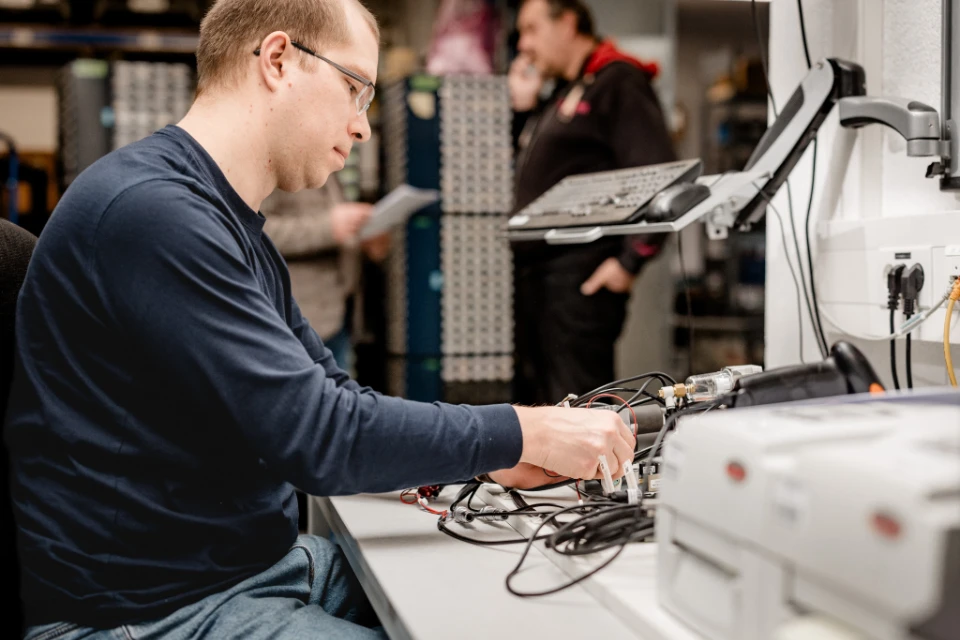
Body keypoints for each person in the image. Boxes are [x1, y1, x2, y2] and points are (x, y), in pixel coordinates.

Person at [3, 1, 636, 638]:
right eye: (355, 88)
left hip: (247, 569)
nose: (363, 127)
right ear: (278, 60)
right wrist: (520, 430)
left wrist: (485, 462)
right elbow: (320, 435)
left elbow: (334, 396)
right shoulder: (151, 213)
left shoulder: (233, 227)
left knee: (506, 601)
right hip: (149, 612)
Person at [509, 0, 677, 405]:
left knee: (579, 407)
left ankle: (591, 474)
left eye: (532, 29)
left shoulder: (618, 81)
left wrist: (629, 263)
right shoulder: (566, 90)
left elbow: (658, 179)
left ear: (567, 23)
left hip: (578, 281)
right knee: (546, 407)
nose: (524, 46)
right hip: (540, 282)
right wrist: (524, 110)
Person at [261, 176, 387, 373]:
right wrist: (327, 228)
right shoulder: (270, 161)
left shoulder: (327, 163)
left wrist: (363, 235)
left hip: (337, 310)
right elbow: (255, 231)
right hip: (299, 316)